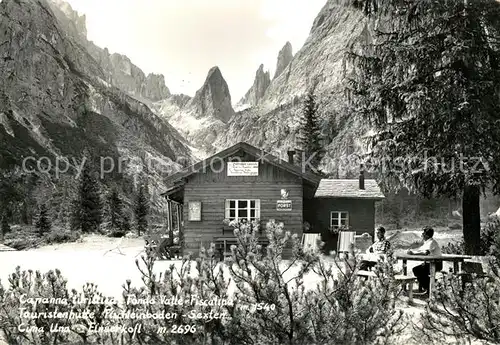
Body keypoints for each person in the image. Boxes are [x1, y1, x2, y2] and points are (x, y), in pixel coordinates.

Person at [408, 226, 442, 295]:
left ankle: (430, 288)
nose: (422, 234)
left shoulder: (432, 242)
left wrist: (413, 253)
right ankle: (429, 287)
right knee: (417, 270)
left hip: (436, 264)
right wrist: (412, 251)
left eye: (423, 233)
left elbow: (425, 252)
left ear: (426, 235)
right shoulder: (427, 242)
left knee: (417, 270)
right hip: (429, 263)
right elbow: (420, 250)